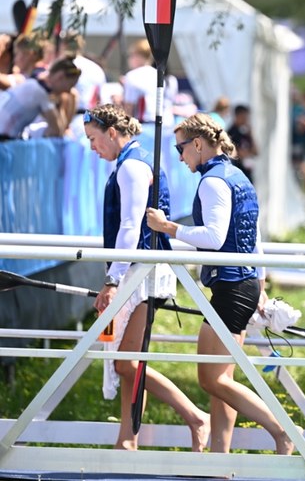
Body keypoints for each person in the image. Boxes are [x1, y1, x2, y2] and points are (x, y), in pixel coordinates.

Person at [145, 113, 294, 455]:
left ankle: (281, 430)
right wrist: (260, 281)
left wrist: (167, 227)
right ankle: (219, 459)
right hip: (241, 284)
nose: (180, 157)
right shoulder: (237, 176)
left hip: (231, 287)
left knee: (211, 379)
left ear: (197, 143)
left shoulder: (212, 181)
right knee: (222, 379)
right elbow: (252, 236)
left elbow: (214, 237)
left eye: (180, 148)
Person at [83, 104, 210, 451]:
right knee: (128, 358)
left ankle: (195, 417)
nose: (93, 149)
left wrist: (112, 280)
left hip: (144, 274)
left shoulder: (132, 167)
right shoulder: (132, 163)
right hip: (137, 270)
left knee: (126, 362)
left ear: (112, 133)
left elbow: (129, 226)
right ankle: (127, 439)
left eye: (94, 140)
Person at [0, 56, 81, 140]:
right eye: (70, 85)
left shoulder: (32, 84)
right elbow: (58, 130)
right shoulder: (40, 94)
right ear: (59, 77)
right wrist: (60, 102)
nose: (68, 91)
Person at [122, 39, 157, 123]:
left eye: (131, 55)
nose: (129, 59)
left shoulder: (132, 75)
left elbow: (129, 107)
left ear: (138, 55)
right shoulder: (159, 74)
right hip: (161, 124)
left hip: (143, 123)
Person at [227, 104, 257, 183]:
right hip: (236, 174)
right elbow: (238, 154)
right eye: (244, 117)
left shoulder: (245, 133)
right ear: (238, 116)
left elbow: (256, 152)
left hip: (247, 174)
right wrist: (247, 153)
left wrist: (251, 135)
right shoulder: (231, 133)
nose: (246, 120)